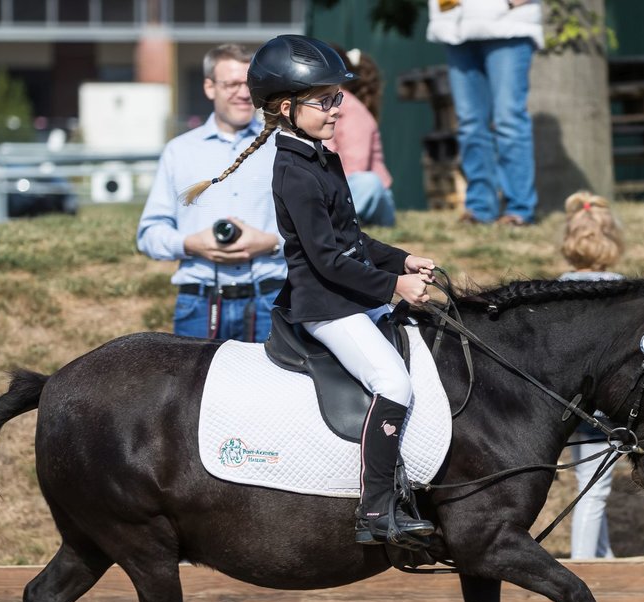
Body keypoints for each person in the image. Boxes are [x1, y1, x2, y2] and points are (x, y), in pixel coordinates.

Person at [183, 35, 437, 548]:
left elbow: (352, 237)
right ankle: (376, 510)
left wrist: (402, 258)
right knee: (394, 384)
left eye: (336, 98)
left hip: (347, 297)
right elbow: (326, 259)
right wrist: (395, 286)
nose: (336, 108)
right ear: (286, 107)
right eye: (324, 101)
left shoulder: (322, 158)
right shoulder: (293, 170)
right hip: (325, 305)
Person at [136, 44, 285, 343]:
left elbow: (318, 230)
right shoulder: (180, 151)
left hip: (271, 300)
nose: (243, 93)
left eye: (249, 84)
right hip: (198, 305)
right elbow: (149, 234)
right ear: (209, 87)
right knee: (197, 391)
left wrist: (271, 243)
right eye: (231, 84)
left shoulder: (282, 147)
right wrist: (190, 244)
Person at [427, 0, 543, 226]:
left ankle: (519, 210)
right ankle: (480, 208)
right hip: (456, 25)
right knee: (470, 124)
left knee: (508, 120)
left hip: (509, 24)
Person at [557, 191, 625, 560]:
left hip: (566, 402)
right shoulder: (620, 289)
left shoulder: (556, 288)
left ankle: (604, 557)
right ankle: (585, 566)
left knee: (591, 484)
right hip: (606, 405)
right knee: (593, 489)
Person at [326, 45, 396, 227]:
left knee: (368, 183)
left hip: (365, 195)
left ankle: (326, 224)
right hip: (329, 193)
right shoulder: (309, 107)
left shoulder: (351, 109)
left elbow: (356, 167)